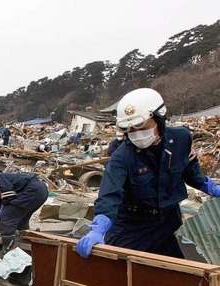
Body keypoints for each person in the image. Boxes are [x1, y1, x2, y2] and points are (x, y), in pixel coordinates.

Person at [77, 87, 220, 259]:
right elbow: (109, 195)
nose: (136, 134)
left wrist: (211, 187)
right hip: (132, 224)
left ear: (159, 118)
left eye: (140, 127)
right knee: (119, 272)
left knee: (175, 273)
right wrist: (98, 229)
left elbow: (189, 170)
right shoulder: (121, 157)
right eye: (130, 130)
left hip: (169, 222)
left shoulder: (180, 139)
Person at [0, 172, 48, 258]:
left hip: (32, 190)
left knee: (6, 219)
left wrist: (3, 213)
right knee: (20, 221)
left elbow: (9, 196)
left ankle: (8, 250)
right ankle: (23, 245)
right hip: (41, 192)